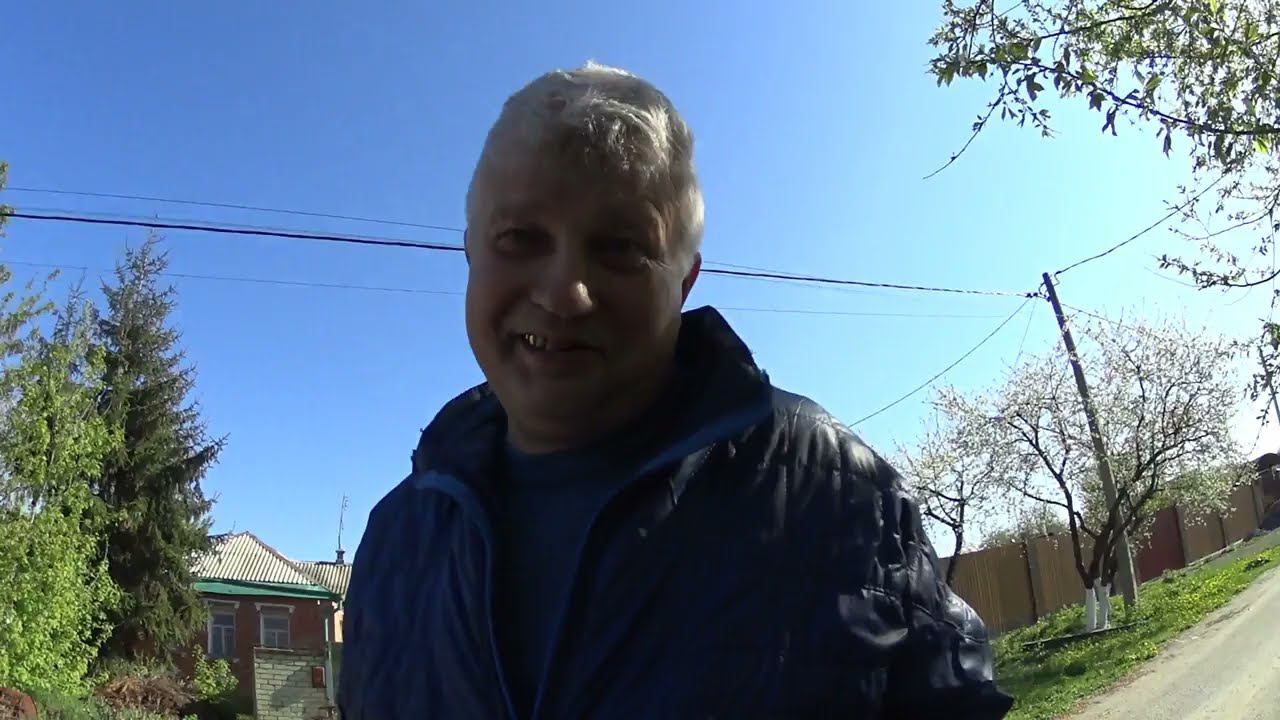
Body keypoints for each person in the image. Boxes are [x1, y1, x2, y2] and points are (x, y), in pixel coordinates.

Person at [338, 62, 1013, 719]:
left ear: (684, 282)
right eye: (520, 238)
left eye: (619, 247)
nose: (565, 293)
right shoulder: (395, 546)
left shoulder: (840, 493)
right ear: (470, 252)